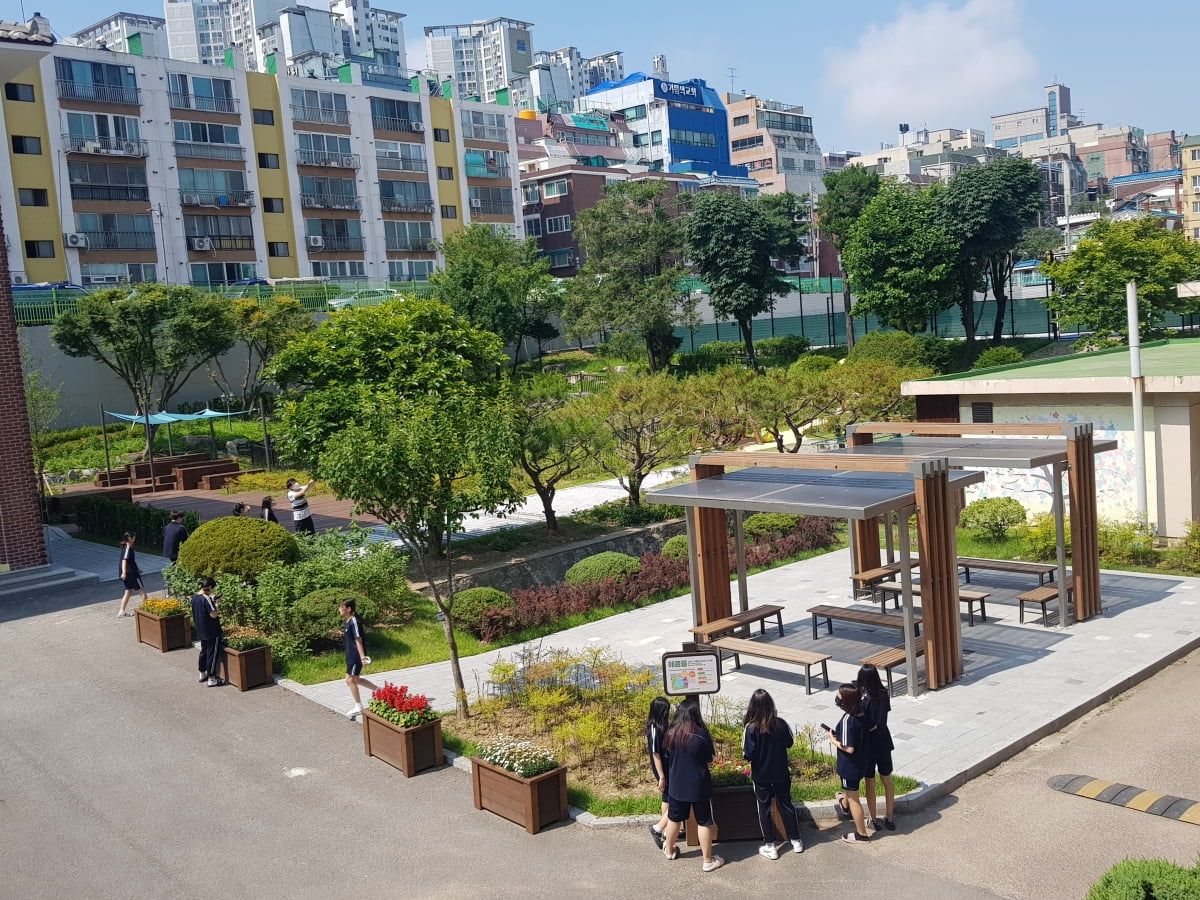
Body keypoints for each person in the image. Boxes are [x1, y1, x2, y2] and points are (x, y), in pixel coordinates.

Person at [661, 700, 724, 873]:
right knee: (703, 821)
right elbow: (709, 758)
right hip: (698, 786)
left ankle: (669, 849)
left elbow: (667, 755)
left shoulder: (671, 734)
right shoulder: (701, 735)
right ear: (696, 714)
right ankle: (707, 861)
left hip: (677, 785)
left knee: (674, 818)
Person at [742, 688, 804, 858]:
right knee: (786, 803)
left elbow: (748, 754)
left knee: (764, 808)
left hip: (761, 775)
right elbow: (789, 742)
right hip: (781, 771)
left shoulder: (751, 728)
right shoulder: (780, 723)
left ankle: (770, 845)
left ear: (752, 707)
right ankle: (796, 840)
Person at [826, 684, 871, 844]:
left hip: (850, 765)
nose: (837, 698)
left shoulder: (847, 720)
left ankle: (861, 834)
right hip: (862, 762)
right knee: (850, 791)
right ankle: (844, 804)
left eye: (839, 696)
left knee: (854, 799)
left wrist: (833, 740)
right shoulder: (862, 712)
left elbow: (849, 748)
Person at [858, 664, 897, 832]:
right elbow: (885, 713)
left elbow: (864, 722)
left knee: (870, 782)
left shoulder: (864, 699)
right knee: (887, 779)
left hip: (869, 744)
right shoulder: (884, 694)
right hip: (884, 740)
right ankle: (889, 816)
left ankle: (872, 819)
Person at [340, 598, 378, 719]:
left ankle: (358, 706)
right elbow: (351, 635)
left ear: (348, 609)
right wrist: (341, 634)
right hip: (350, 655)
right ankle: (379, 691)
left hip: (355, 656)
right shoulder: (348, 621)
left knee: (350, 680)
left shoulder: (354, 621)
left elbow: (358, 639)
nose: (339, 609)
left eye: (342, 607)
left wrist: (362, 657)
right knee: (355, 680)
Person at [646, 696, 672, 849]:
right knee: (672, 798)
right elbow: (656, 754)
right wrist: (661, 777)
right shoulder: (654, 729)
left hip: (667, 766)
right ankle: (661, 827)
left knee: (667, 798)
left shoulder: (661, 725)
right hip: (663, 768)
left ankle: (666, 829)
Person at [191, 577, 224, 686]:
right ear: (209, 587)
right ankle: (212, 678)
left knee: (203, 651)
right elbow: (213, 615)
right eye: (213, 589)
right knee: (212, 654)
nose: (213, 591)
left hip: (201, 630)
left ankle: (202, 673)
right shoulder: (207, 599)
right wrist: (217, 605)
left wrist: (212, 599)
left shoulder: (195, 598)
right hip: (211, 631)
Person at [115, 532, 147, 617]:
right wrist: (124, 572)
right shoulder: (128, 549)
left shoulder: (126, 548)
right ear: (130, 538)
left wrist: (138, 569)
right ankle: (146, 611)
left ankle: (121, 611)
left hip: (130, 572)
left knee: (128, 591)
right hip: (131, 574)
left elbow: (130, 561)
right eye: (134, 538)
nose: (134, 539)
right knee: (142, 591)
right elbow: (124, 561)